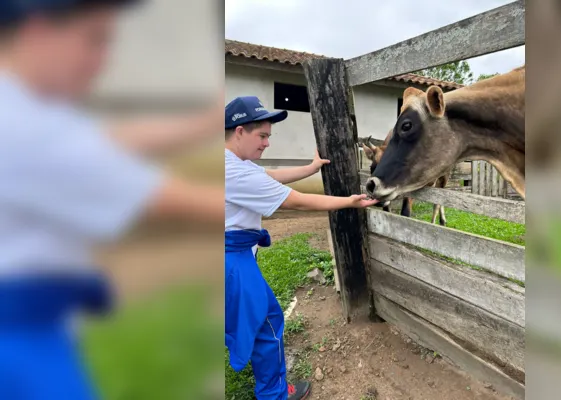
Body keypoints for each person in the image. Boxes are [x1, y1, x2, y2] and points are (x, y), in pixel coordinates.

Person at [0, 1, 224, 399]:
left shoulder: (21, 108)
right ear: (38, 33)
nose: (102, 61)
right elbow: (174, 201)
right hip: (21, 339)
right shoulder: (28, 129)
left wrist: (202, 124)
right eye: (95, 40)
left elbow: (102, 141)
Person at [224, 95, 377, 400]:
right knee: (267, 320)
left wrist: (311, 167)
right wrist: (349, 201)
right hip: (231, 260)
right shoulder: (235, 173)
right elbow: (297, 200)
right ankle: (274, 394)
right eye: (262, 136)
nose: (267, 143)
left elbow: (270, 176)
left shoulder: (231, 163)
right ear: (239, 130)